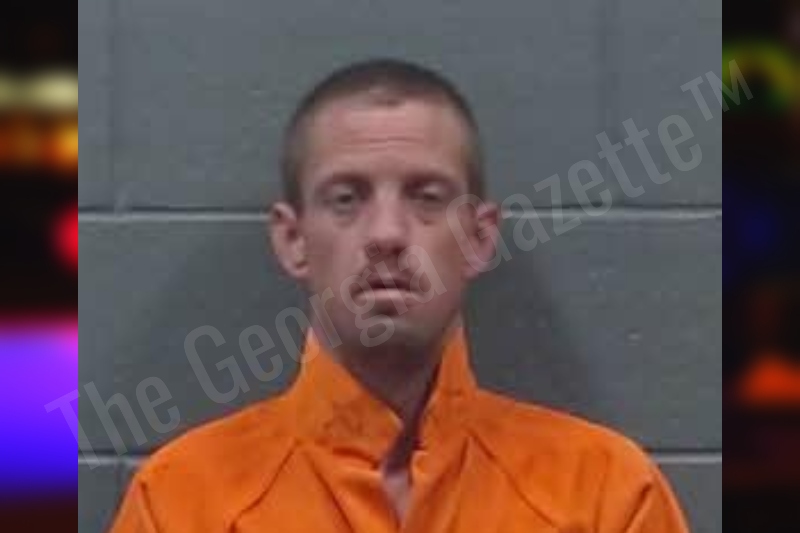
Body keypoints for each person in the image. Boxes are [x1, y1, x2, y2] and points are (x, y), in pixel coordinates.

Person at [110, 58, 690, 532]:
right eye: (346, 198)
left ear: (478, 238)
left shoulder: (604, 495)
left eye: (427, 197)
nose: (386, 233)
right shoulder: (183, 502)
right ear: (293, 240)